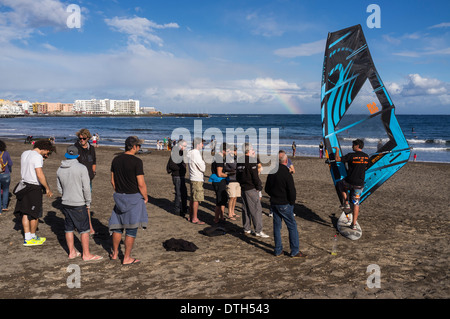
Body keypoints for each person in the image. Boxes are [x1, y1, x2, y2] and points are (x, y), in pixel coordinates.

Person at [57, 146, 102, 261]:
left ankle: (72, 252)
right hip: (78, 202)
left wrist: (66, 195)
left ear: (67, 155)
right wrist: (88, 201)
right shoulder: (81, 168)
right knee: (84, 229)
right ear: (77, 156)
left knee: (69, 228)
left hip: (66, 202)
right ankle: (86, 254)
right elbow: (86, 188)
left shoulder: (60, 169)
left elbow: (59, 188)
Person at [109, 136, 148, 265]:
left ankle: (115, 253)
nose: (140, 148)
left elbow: (112, 181)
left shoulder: (116, 160)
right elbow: (141, 183)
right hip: (133, 197)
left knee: (117, 227)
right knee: (131, 229)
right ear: (133, 147)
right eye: (139, 146)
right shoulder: (137, 162)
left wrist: (119, 190)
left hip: (119, 196)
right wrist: (145, 196)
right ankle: (126, 258)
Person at [14, 139, 55, 246]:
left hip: (23, 185)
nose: (47, 155)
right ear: (45, 148)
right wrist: (47, 188)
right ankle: (31, 237)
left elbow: (28, 167)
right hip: (33, 187)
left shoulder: (25, 153)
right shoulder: (37, 157)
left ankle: (28, 236)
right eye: (48, 152)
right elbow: (39, 174)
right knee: (34, 213)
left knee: (24, 212)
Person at [265, 152, 306, 258]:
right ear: (286, 161)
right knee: (292, 226)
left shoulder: (272, 171)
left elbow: (267, 188)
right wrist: (292, 202)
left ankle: (278, 250)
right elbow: (292, 190)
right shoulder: (286, 173)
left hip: (275, 203)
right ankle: (294, 251)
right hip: (283, 203)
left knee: (277, 227)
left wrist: (274, 196)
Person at [333, 139, 369, 230]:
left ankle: (346, 202)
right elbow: (366, 167)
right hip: (359, 184)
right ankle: (353, 225)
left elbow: (337, 159)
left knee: (340, 184)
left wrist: (337, 150)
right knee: (356, 203)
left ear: (357, 146)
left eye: (353, 145)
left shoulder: (351, 156)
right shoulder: (366, 156)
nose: (352, 146)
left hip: (349, 182)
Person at [236, 143, 269, 238]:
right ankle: (258, 230)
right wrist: (259, 187)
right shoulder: (251, 161)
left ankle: (246, 228)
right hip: (251, 188)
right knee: (256, 209)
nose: (254, 151)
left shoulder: (240, 160)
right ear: (249, 150)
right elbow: (255, 176)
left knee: (245, 208)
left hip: (244, 187)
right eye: (252, 149)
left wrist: (241, 183)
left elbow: (238, 175)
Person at [74, 128, 97, 236]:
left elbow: (94, 161)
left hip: (89, 179)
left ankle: (85, 225)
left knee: (87, 202)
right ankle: (88, 226)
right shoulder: (75, 147)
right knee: (81, 203)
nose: (81, 140)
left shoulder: (91, 148)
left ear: (88, 138)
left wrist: (93, 171)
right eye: (80, 138)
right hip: (78, 179)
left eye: (84, 138)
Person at [167, 139, 188, 217]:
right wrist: (181, 168)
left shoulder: (181, 152)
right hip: (177, 175)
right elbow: (171, 165)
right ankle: (177, 210)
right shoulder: (175, 152)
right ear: (180, 145)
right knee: (179, 193)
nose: (186, 147)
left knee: (183, 193)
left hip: (181, 175)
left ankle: (183, 209)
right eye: (185, 146)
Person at [187, 137, 206, 225]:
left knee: (192, 198)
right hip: (197, 178)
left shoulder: (190, 153)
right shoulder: (196, 153)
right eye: (202, 143)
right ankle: (194, 218)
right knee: (196, 199)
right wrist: (203, 163)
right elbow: (203, 168)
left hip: (193, 177)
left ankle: (191, 216)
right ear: (198, 144)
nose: (203, 145)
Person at [209, 143, 229, 224]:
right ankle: (216, 219)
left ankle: (221, 217)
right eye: (228, 151)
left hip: (219, 180)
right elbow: (219, 173)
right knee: (219, 200)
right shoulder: (219, 158)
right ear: (223, 151)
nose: (229, 152)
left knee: (223, 199)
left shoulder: (218, 157)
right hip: (218, 181)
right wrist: (229, 175)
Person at [224, 144, 240, 220]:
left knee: (235, 197)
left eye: (235, 150)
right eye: (233, 150)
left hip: (237, 179)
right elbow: (235, 166)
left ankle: (233, 212)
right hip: (231, 180)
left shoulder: (235, 158)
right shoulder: (228, 158)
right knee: (232, 197)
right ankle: (230, 213)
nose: (235, 151)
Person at [0, 140, 13, 213]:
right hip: (5, 174)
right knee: (5, 190)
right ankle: (4, 206)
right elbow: (10, 163)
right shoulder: (6, 153)